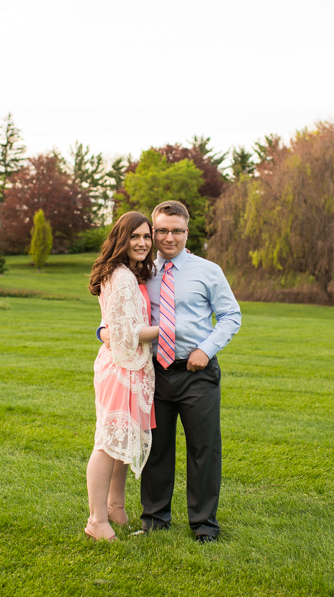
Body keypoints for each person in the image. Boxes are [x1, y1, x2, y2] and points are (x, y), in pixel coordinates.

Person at [99, 200, 241, 543]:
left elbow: (231, 316)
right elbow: (117, 316)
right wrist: (103, 332)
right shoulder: (140, 273)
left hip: (197, 372)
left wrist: (206, 351)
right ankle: (154, 519)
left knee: (203, 449)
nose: (168, 237)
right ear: (153, 230)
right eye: (161, 230)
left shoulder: (209, 271)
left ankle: (204, 525)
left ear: (186, 232)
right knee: (157, 448)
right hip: (155, 372)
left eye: (176, 230)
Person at [85, 211, 160, 541]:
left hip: (129, 366)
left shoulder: (127, 273)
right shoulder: (122, 276)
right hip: (121, 368)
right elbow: (125, 331)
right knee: (107, 442)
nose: (142, 242)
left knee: (121, 441)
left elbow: (111, 325)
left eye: (146, 237)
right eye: (135, 237)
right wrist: (170, 331)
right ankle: (96, 520)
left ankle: (115, 506)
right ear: (122, 238)